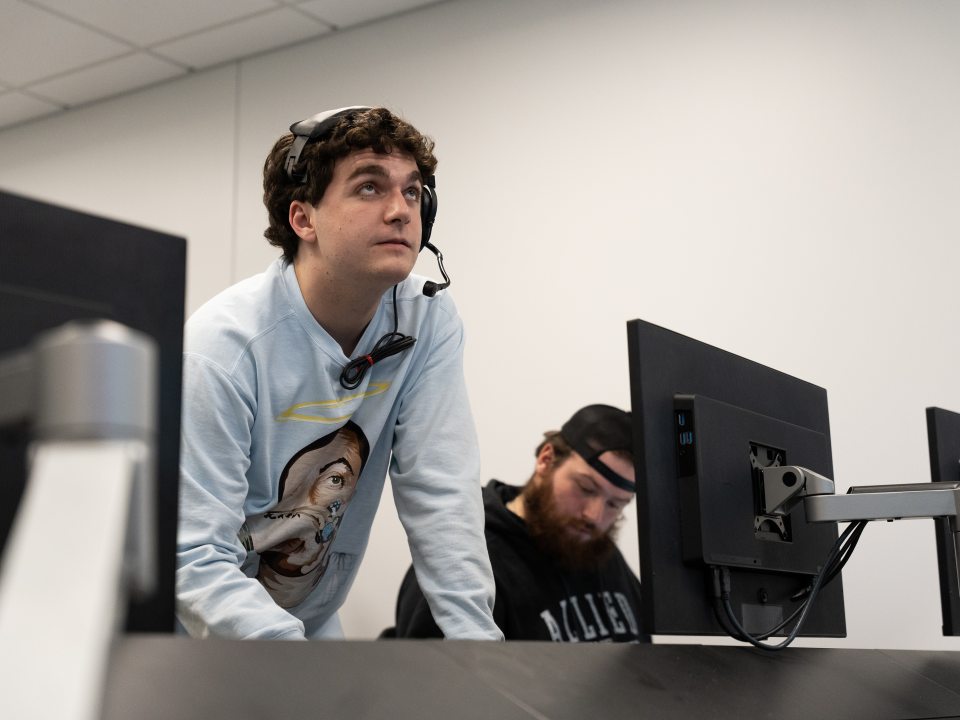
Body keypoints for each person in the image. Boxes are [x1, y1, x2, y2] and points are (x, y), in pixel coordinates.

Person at [176, 106, 501, 641]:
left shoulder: (427, 317)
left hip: (308, 622)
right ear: (303, 219)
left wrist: (484, 654)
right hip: (199, 633)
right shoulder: (223, 348)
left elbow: (441, 494)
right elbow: (194, 555)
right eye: (370, 188)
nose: (401, 211)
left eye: (414, 191)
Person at [389, 404, 649, 642]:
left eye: (615, 504)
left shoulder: (594, 550)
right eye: (585, 488)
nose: (594, 516)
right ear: (546, 460)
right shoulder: (467, 560)